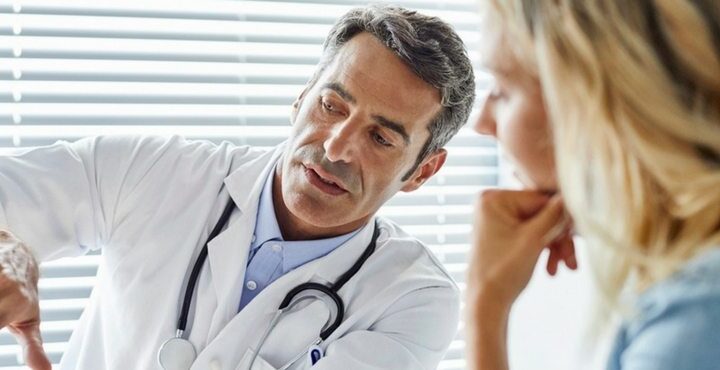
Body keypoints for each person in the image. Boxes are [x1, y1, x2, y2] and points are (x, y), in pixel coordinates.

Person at [0, 5, 476, 370]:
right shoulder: (150, 171)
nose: (336, 147)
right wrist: (10, 253)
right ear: (302, 95)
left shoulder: (413, 298)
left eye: (380, 137)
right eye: (331, 105)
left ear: (422, 171)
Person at [466, 1, 720, 369]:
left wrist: (484, 306)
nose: (483, 124)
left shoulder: (697, 310)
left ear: (598, 100)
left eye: (503, 90)